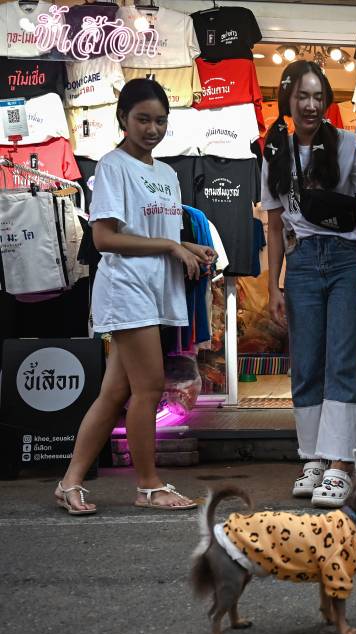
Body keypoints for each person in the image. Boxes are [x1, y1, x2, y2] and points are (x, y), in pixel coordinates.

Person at [55, 79, 216, 514]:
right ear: (122, 118)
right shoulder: (112, 166)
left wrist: (189, 247)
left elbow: (157, 233)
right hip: (127, 289)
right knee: (148, 388)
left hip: (156, 290)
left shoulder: (167, 174)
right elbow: (105, 238)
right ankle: (148, 486)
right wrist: (170, 247)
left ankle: (69, 483)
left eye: (160, 120)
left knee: (114, 394)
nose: (152, 129)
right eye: (143, 119)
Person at [262, 61, 356, 507]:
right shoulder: (275, 153)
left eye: (317, 96)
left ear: (327, 100)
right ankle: (313, 456)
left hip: (347, 261)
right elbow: (275, 226)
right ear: (288, 101)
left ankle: (341, 464)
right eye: (302, 96)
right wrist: (273, 286)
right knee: (306, 364)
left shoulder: (350, 145)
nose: (311, 105)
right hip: (302, 264)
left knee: (343, 362)